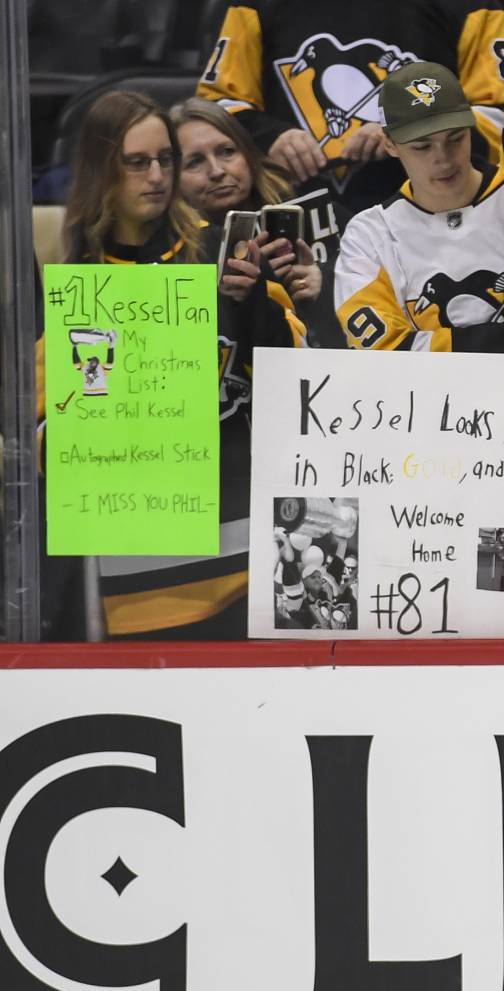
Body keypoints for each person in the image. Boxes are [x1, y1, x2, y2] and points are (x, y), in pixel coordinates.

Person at [59, 90, 298, 640]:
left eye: (165, 159)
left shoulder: (226, 254)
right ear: (102, 171)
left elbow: (297, 386)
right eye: (137, 163)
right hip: (147, 570)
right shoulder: (83, 285)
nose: (157, 176)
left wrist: (261, 301)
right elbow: (63, 439)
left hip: (256, 553)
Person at [332, 62, 504, 355]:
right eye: (422, 147)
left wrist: (447, 350)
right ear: (390, 144)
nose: (444, 159)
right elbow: (382, 353)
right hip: (429, 402)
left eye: (456, 138)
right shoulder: (367, 236)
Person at [195, 0, 504, 212]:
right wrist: (271, 137)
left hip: (434, 221)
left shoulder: (469, 7)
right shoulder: (254, 6)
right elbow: (213, 110)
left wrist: (411, 128)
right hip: (294, 226)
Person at [171, 98, 335, 344]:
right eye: (195, 162)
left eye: (227, 152)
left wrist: (323, 280)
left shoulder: (306, 206)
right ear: (171, 177)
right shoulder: (170, 248)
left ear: (247, 153)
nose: (217, 171)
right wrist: (257, 289)